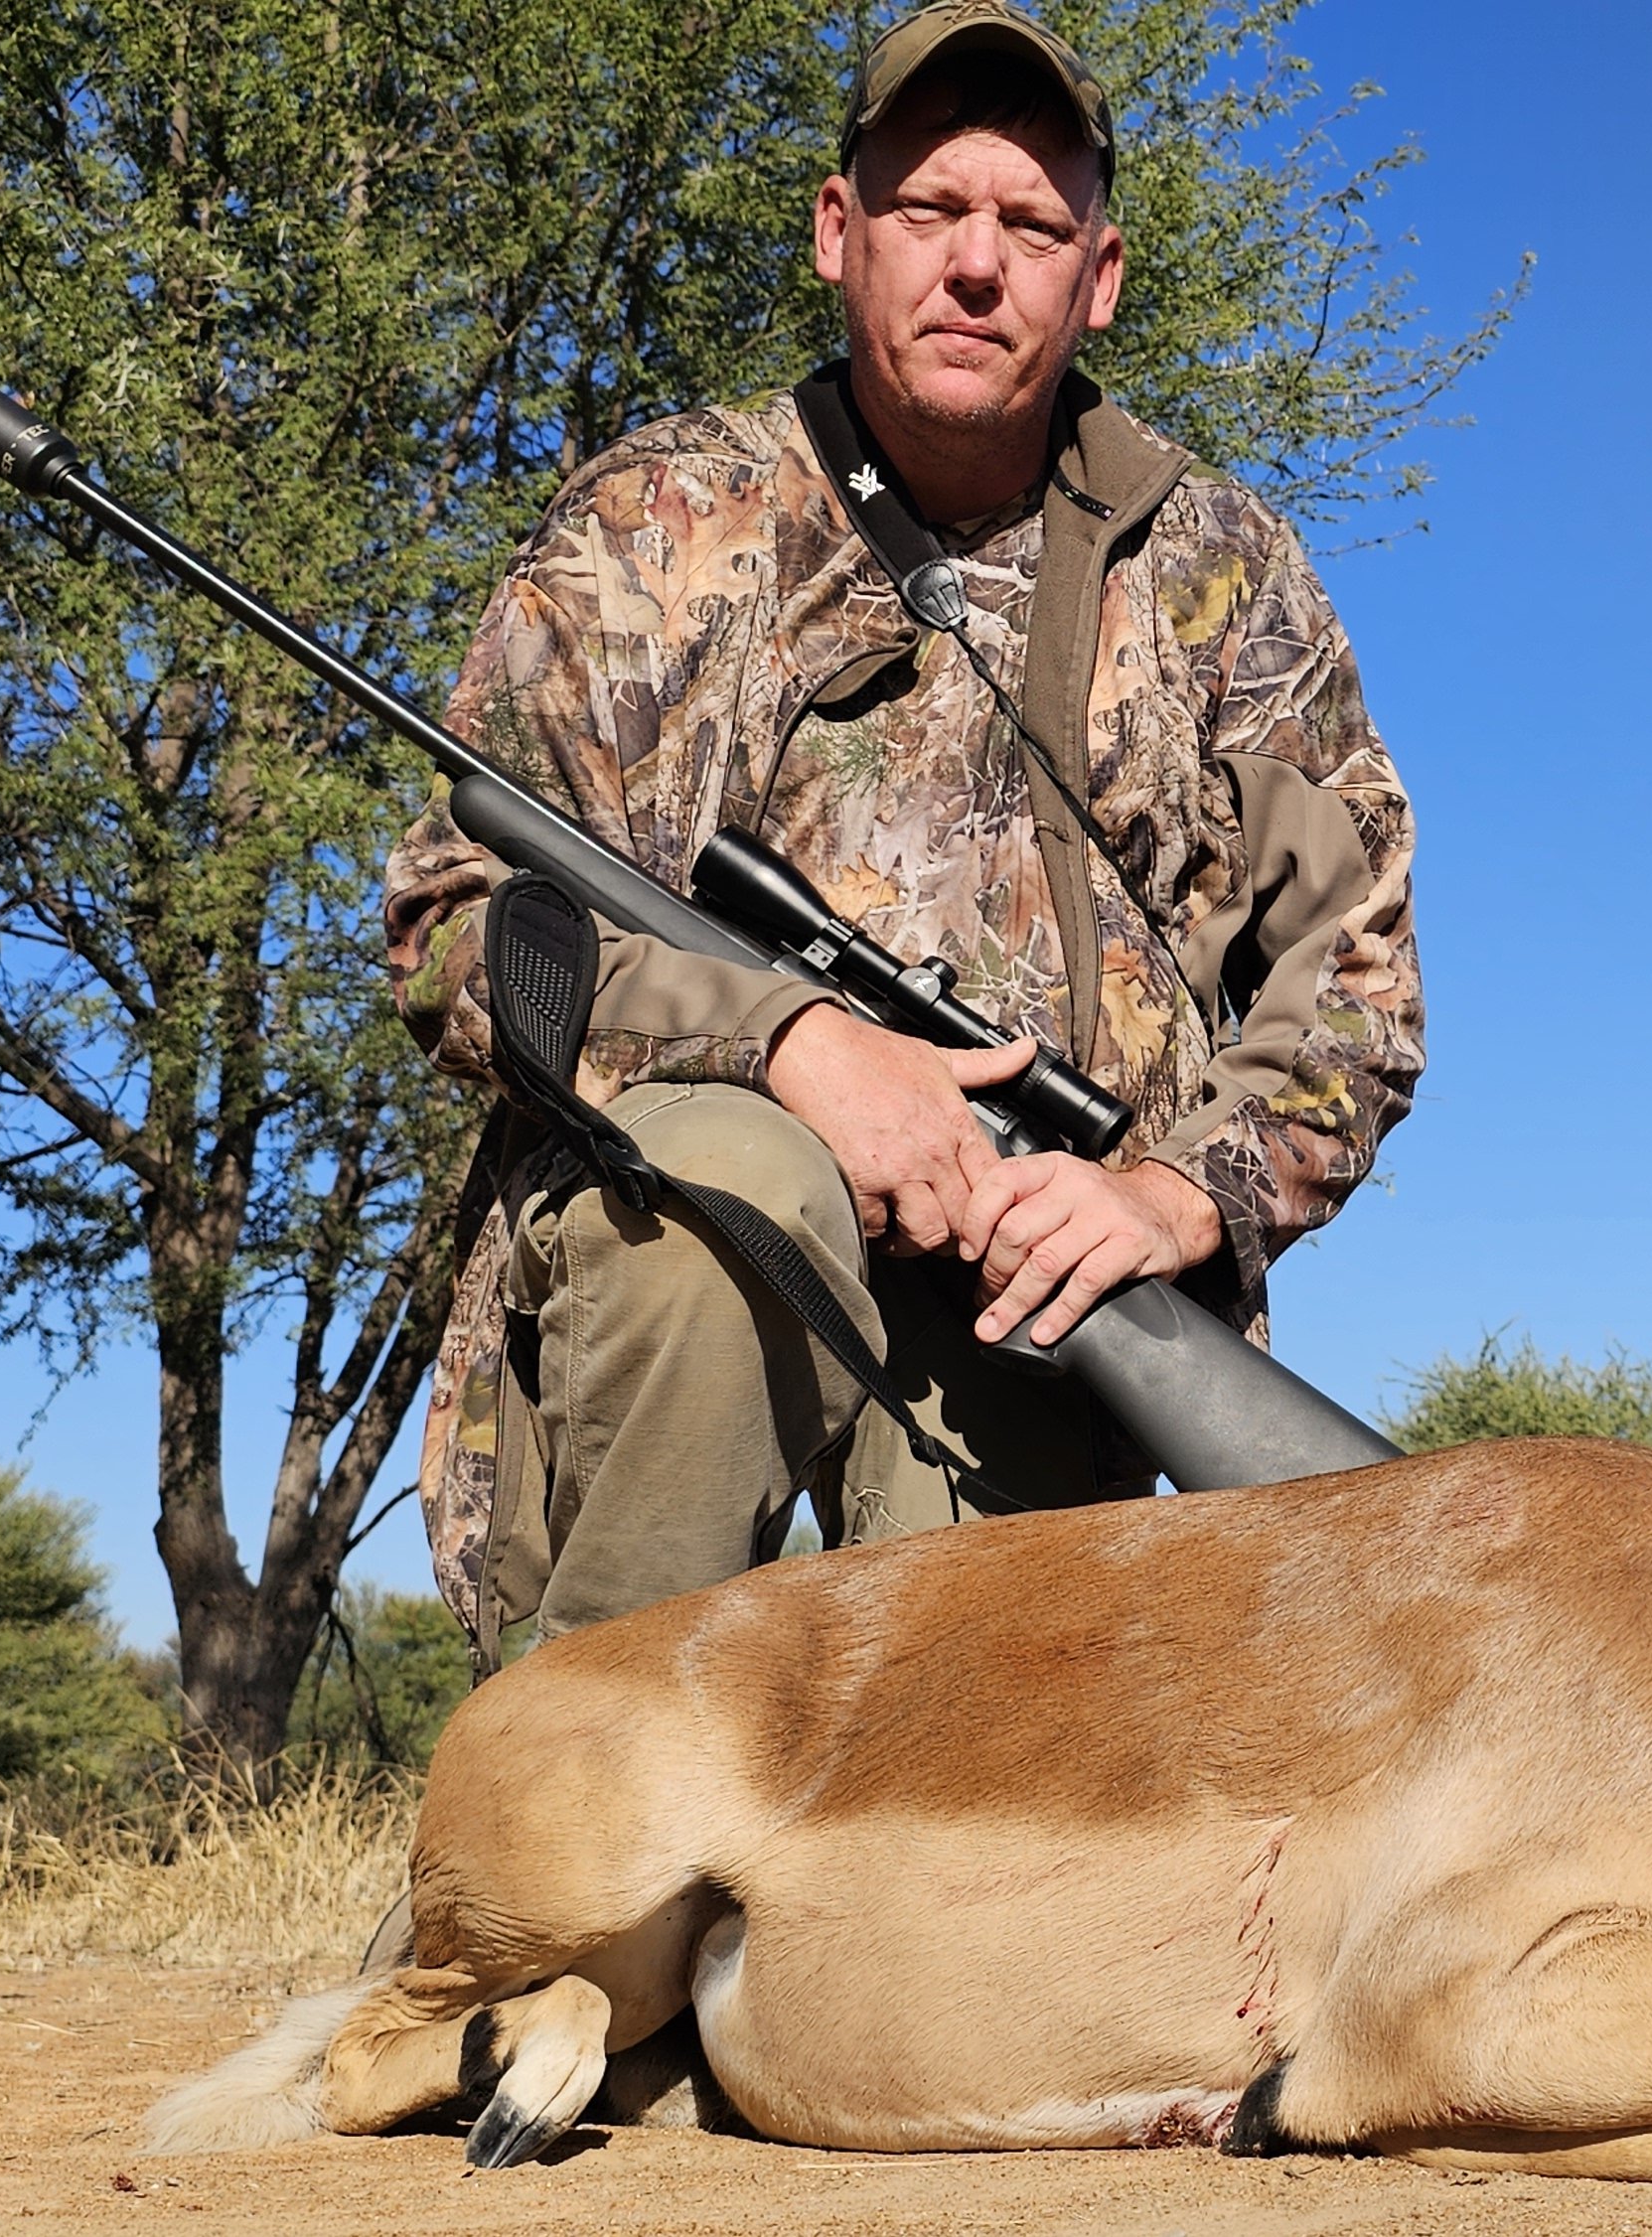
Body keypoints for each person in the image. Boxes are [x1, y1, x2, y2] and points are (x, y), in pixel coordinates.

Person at [378, 0, 1424, 1664]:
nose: (975, 265)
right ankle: (554, 1871)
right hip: (689, 1247)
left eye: (1030, 224)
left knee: (981, 1832)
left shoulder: (1228, 568)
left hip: (1039, 1294)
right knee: (741, 1189)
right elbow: (452, 919)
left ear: (1103, 278)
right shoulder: (651, 522)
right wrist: (792, 1047)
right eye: (931, 210)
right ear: (836, 234)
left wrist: (1164, 1201)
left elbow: (1355, 1000)